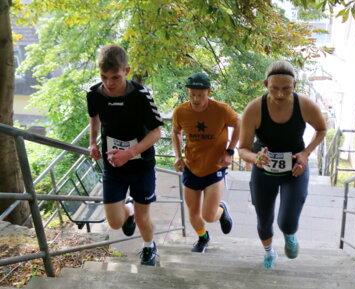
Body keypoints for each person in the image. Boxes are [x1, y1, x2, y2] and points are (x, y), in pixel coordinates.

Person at [238, 60, 327, 269]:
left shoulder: (304, 105)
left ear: (294, 85)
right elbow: (242, 149)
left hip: (294, 170)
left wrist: (305, 154)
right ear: (265, 84)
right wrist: (255, 158)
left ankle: (290, 236)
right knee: (264, 220)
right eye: (274, 88)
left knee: (287, 220)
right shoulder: (254, 109)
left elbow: (322, 129)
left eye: (286, 89)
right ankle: (269, 253)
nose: (279, 94)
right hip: (264, 171)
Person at [87, 44, 163, 266]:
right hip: (114, 166)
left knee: (143, 217)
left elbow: (157, 133)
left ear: (127, 71)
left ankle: (149, 247)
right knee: (114, 222)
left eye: (115, 77)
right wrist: (92, 142)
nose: (109, 83)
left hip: (142, 167)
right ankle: (127, 209)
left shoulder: (141, 96)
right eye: (104, 77)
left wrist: (129, 153)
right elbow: (95, 118)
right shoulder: (94, 94)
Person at [172, 72, 240, 253]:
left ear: (208, 92)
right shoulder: (181, 111)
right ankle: (203, 238)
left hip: (214, 168)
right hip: (192, 167)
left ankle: (222, 211)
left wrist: (230, 151)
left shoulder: (221, 110)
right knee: (193, 213)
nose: (196, 99)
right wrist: (178, 156)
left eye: (200, 95)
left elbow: (239, 124)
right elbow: (175, 131)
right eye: (192, 94)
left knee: (208, 215)